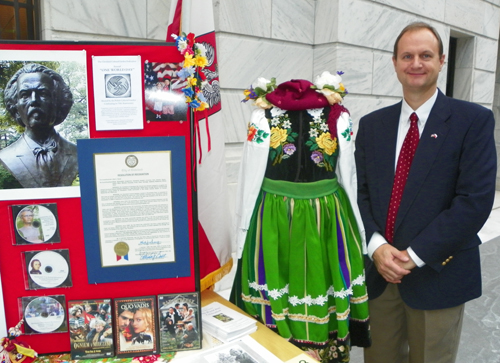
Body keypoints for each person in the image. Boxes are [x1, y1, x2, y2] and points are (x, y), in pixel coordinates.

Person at [355, 22, 497, 363]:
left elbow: (473, 202)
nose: (415, 63)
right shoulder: (372, 125)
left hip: (437, 273)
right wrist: (376, 247)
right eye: (407, 56)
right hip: (379, 273)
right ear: (394, 63)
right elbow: (357, 194)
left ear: (441, 61)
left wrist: (413, 256)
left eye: (425, 55)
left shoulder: (473, 121)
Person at [231, 73, 370, 362]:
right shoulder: (262, 116)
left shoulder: (338, 116)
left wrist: (356, 226)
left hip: (322, 217)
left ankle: (318, 349)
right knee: (277, 277)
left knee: (320, 279)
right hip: (279, 215)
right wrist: (243, 228)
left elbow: (349, 172)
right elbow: (251, 172)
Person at [0, 63, 77, 188]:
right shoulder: (5, 156)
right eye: (25, 95)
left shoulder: (77, 153)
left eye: (43, 93)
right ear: (15, 106)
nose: (34, 100)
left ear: (57, 102)